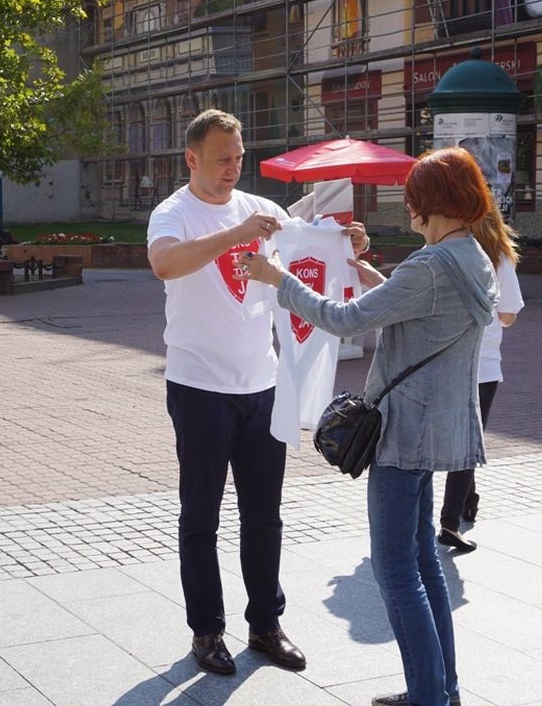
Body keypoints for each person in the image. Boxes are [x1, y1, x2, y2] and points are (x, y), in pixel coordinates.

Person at [239, 146, 497, 706]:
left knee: (396, 569)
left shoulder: (430, 266)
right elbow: (428, 311)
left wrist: (280, 279)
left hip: (405, 431)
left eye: (413, 199)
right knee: (423, 560)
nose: (408, 210)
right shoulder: (470, 256)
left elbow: (345, 319)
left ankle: (429, 697)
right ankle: (440, 690)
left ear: (433, 202)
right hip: (438, 428)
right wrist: (375, 276)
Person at [147, 109, 368, 677]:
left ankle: (266, 624)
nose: (233, 167)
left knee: (264, 514)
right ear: (191, 159)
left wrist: (347, 244)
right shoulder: (173, 213)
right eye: (221, 158)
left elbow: (307, 253)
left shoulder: (261, 209)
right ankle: (207, 630)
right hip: (199, 385)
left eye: (239, 156)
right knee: (201, 514)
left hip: (262, 384)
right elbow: (165, 263)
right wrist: (235, 234)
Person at [438, 206, 523, 553]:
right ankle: (450, 522)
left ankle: (467, 500)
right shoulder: (498, 258)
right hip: (482, 364)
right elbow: (508, 315)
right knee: (468, 444)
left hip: (444, 359)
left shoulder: (443, 252)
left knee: (450, 437)